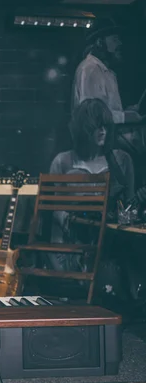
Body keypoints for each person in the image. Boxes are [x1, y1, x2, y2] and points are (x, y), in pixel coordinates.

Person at [47, 98, 136, 274]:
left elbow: (130, 203)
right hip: (71, 246)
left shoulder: (121, 159)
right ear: (83, 129)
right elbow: (54, 211)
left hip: (110, 249)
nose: (103, 131)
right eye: (97, 126)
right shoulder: (63, 161)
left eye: (105, 126)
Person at [71, 19, 143, 125]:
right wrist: (124, 116)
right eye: (115, 39)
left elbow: (106, 112)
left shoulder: (107, 72)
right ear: (100, 42)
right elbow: (92, 114)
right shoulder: (90, 69)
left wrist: (125, 112)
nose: (120, 43)